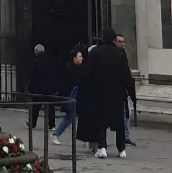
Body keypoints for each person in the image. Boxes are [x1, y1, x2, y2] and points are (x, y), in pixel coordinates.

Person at [79, 29, 133, 158]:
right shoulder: (120, 54)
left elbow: (88, 73)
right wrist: (130, 92)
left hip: (99, 91)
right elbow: (127, 74)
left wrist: (85, 89)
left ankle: (102, 147)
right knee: (119, 121)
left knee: (100, 121)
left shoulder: (95, 52)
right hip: (117, 92)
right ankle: (121, 149)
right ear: (114, 39)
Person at [50, 48, 83, 145]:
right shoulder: (70, 69)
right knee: (70, 117)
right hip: (71, 97)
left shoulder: (77, 68)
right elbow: (69, 84)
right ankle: (55, 134)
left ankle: (85, 138)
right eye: (80, 56)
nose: (82, 58)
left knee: (78, 116)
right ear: (74, 58)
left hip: (76, 96)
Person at [113, 33, 138, 146]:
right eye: (120, 41)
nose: (122, 43)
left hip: (123, 90)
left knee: (126, 113)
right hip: (114, 90)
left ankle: (126, 136)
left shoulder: (123, 54)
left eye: (123, 41)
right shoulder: (114, 54)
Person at [26, 44, 57, 130]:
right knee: (50, 107)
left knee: (35, 107)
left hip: (38, 89)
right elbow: (55, 74)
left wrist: (30, 88)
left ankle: (32, 123)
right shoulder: (51, 61)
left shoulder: (36, 62)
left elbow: (33, 76)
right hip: (49, 88)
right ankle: (52, 125)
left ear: (36, 52)